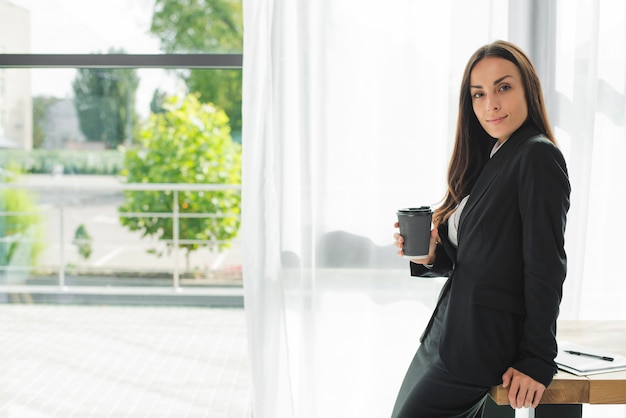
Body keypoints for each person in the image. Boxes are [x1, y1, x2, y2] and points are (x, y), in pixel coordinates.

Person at [391, 40, 571, 417]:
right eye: (479, 94)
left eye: (503, 87)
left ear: (528, 90)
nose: (491, 104)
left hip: (480, 342)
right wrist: (430, 255)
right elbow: (480, 257)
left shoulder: (537, 156)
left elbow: (545, 266)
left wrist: (537, 359)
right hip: (448, 332)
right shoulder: (493, 154)